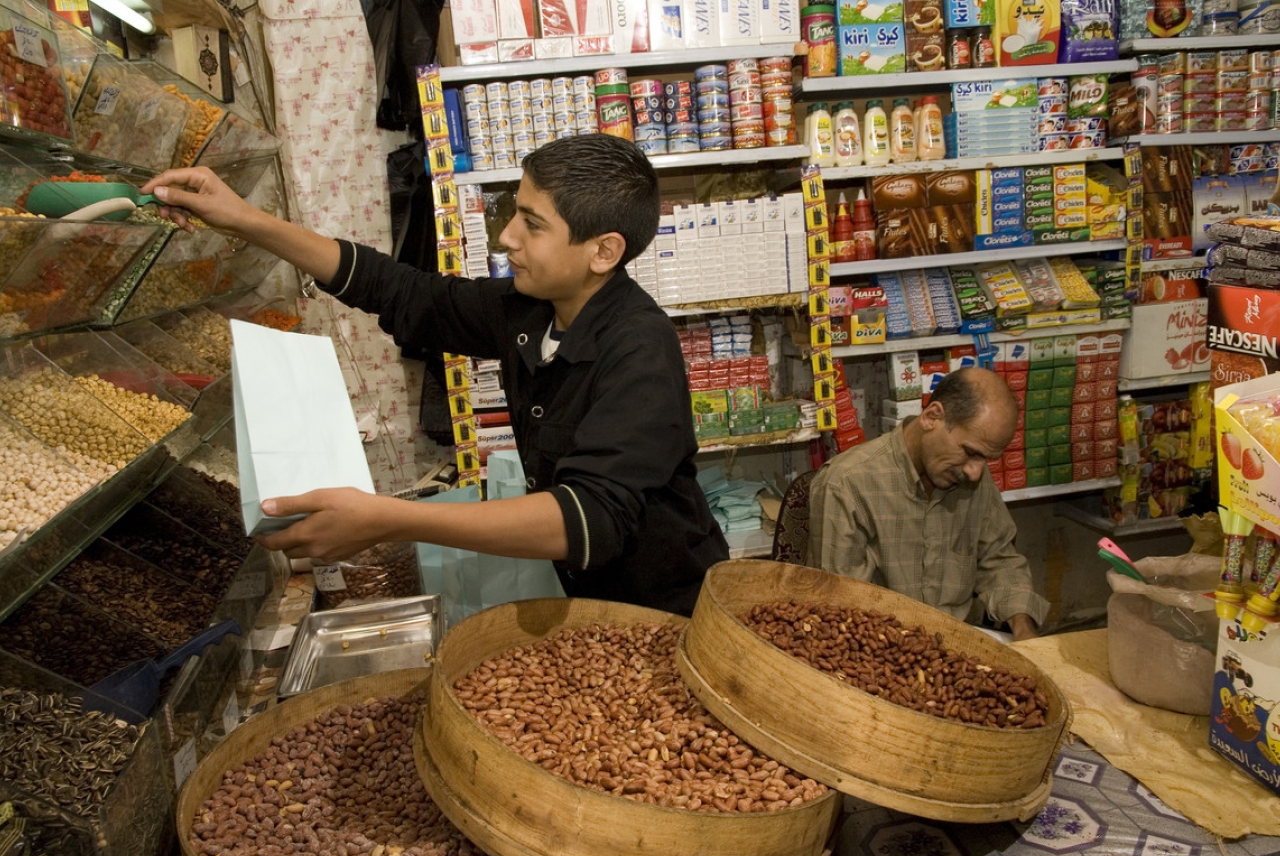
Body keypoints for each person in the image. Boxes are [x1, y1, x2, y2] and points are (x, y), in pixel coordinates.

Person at [142, 134, 729, 616]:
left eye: (532, 224)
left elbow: (586, 519)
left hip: (670, 612)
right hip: (595, 604)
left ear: (603, 252)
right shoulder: (532, 310)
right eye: (513, 214)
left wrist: (385, 519)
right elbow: (404, 292)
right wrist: (244, 219)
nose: (507, 237)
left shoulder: (640, 348)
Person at [804, 366, 1047, 641]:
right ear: (932, 417)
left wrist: (1023, 628)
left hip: (960, 645)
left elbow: (999, 558)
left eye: (985, 460)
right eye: (970, 453)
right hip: (879, 653)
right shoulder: (847, 484)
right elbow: (840, 609)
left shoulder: (970, 475)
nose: (975, 472)